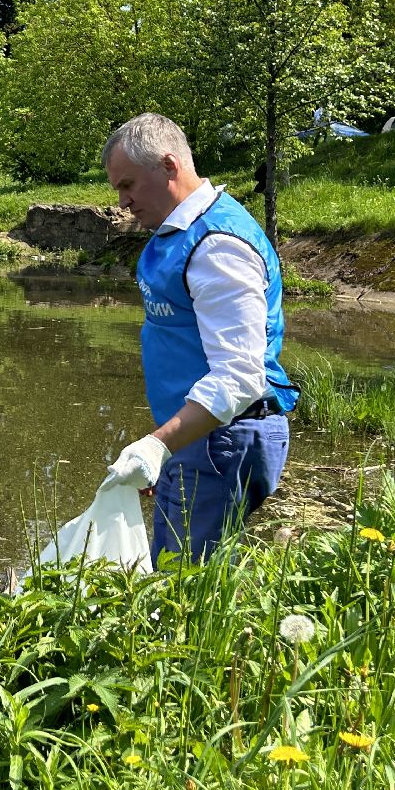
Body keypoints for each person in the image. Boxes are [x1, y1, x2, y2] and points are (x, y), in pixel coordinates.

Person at [100, 112, 298, 565]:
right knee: (176, 575)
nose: (123, 201)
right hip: (202, 436)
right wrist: (168, 449)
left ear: (169, 166)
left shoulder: (217, 246)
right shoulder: (179, 233)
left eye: (128, 185)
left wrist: (160, 443)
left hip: (224, 436)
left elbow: (241, 375)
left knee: (182, 588)